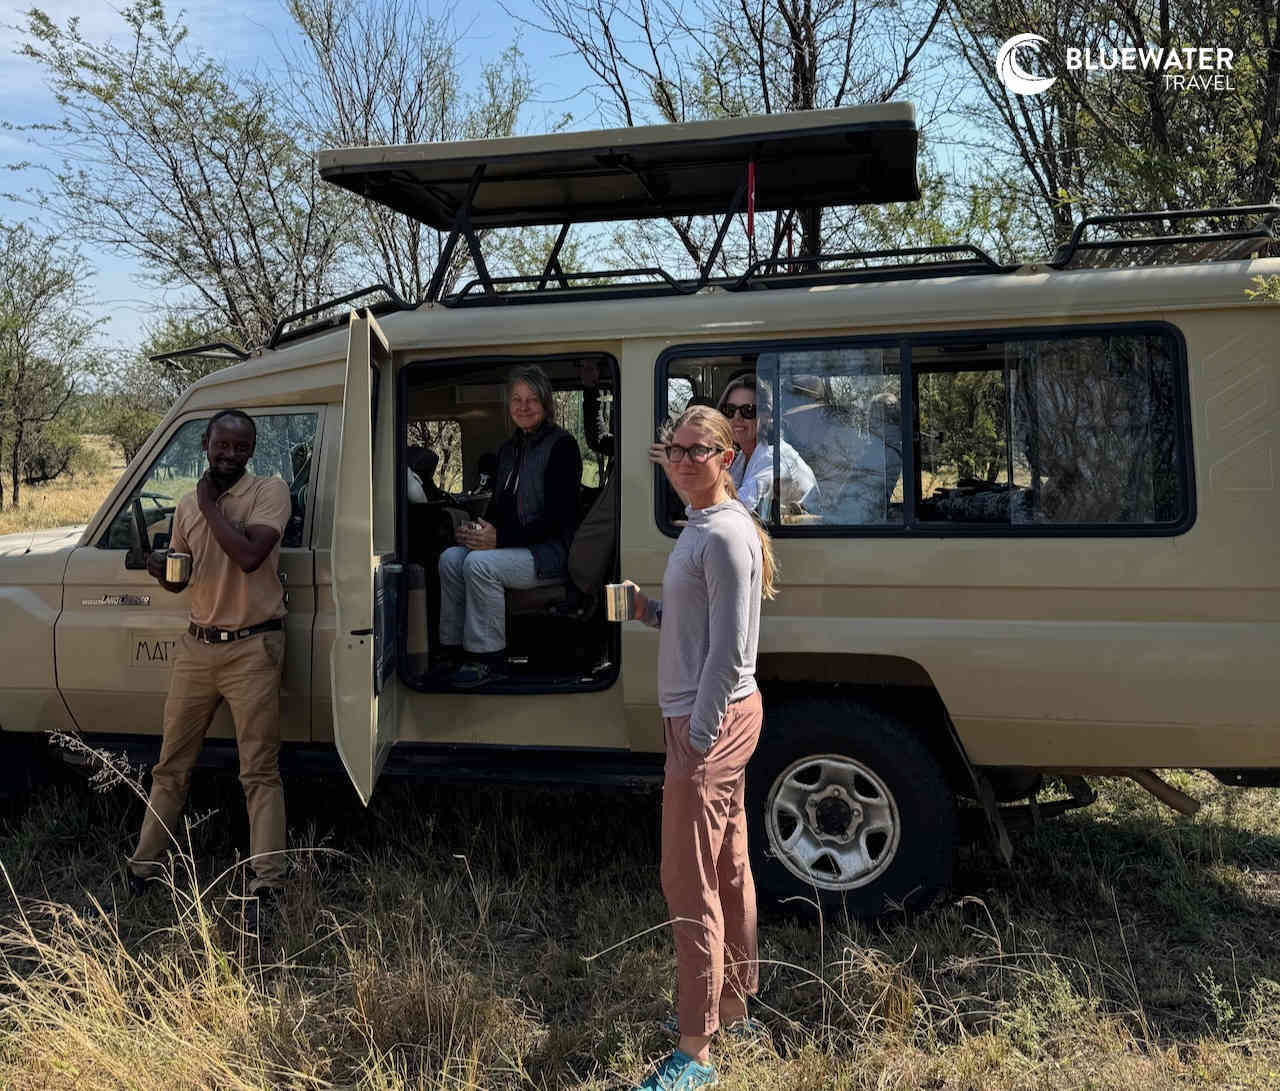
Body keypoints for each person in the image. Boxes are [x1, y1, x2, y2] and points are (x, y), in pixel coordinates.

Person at [623, 404, 778, 1091]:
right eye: (675, 450)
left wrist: (699, 735)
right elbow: (699, 624)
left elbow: (729, 651)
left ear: (725, 455)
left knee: (689, 881)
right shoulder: (704, 524)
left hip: (706, 722)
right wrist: (648, 611)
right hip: (705, 718)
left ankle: (696, 1049)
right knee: (730, 863)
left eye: (699, 450)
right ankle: (734, 1004)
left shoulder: (723, 534)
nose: (684, 460)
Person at [127, 409, 291, 916]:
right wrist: (162, 572)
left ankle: (269, 879)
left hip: (252, 647)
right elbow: (183, 576)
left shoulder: (269, 491)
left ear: (252, 451)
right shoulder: (184, 507)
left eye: (241, 447)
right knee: (171, 764)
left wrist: (207, 503)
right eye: (222, 445)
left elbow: (248, 556)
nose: (230, 455)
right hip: (197, 647)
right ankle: (145, 864)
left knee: (258, 769)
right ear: (205, 443)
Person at [437, 365, 583, 687]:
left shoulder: (562, 447)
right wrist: (478, 531)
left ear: (546, 404)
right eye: (517, 399)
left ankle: (489, 660)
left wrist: (498, 539)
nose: (523, 406)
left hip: (550, 553)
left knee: (479, 565)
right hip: (513, 548)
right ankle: (452, 650)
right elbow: (500, 509)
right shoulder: (509, 450)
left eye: (532, 399)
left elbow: (558, 519)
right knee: (451, 558)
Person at [718, 373, 818, 518]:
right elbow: (723, 499)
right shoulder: (742, 457)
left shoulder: (774, 459)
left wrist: (674, 470)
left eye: (748, 410)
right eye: (730, 410)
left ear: (767, 416)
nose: (736, 418)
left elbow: (733, 513)